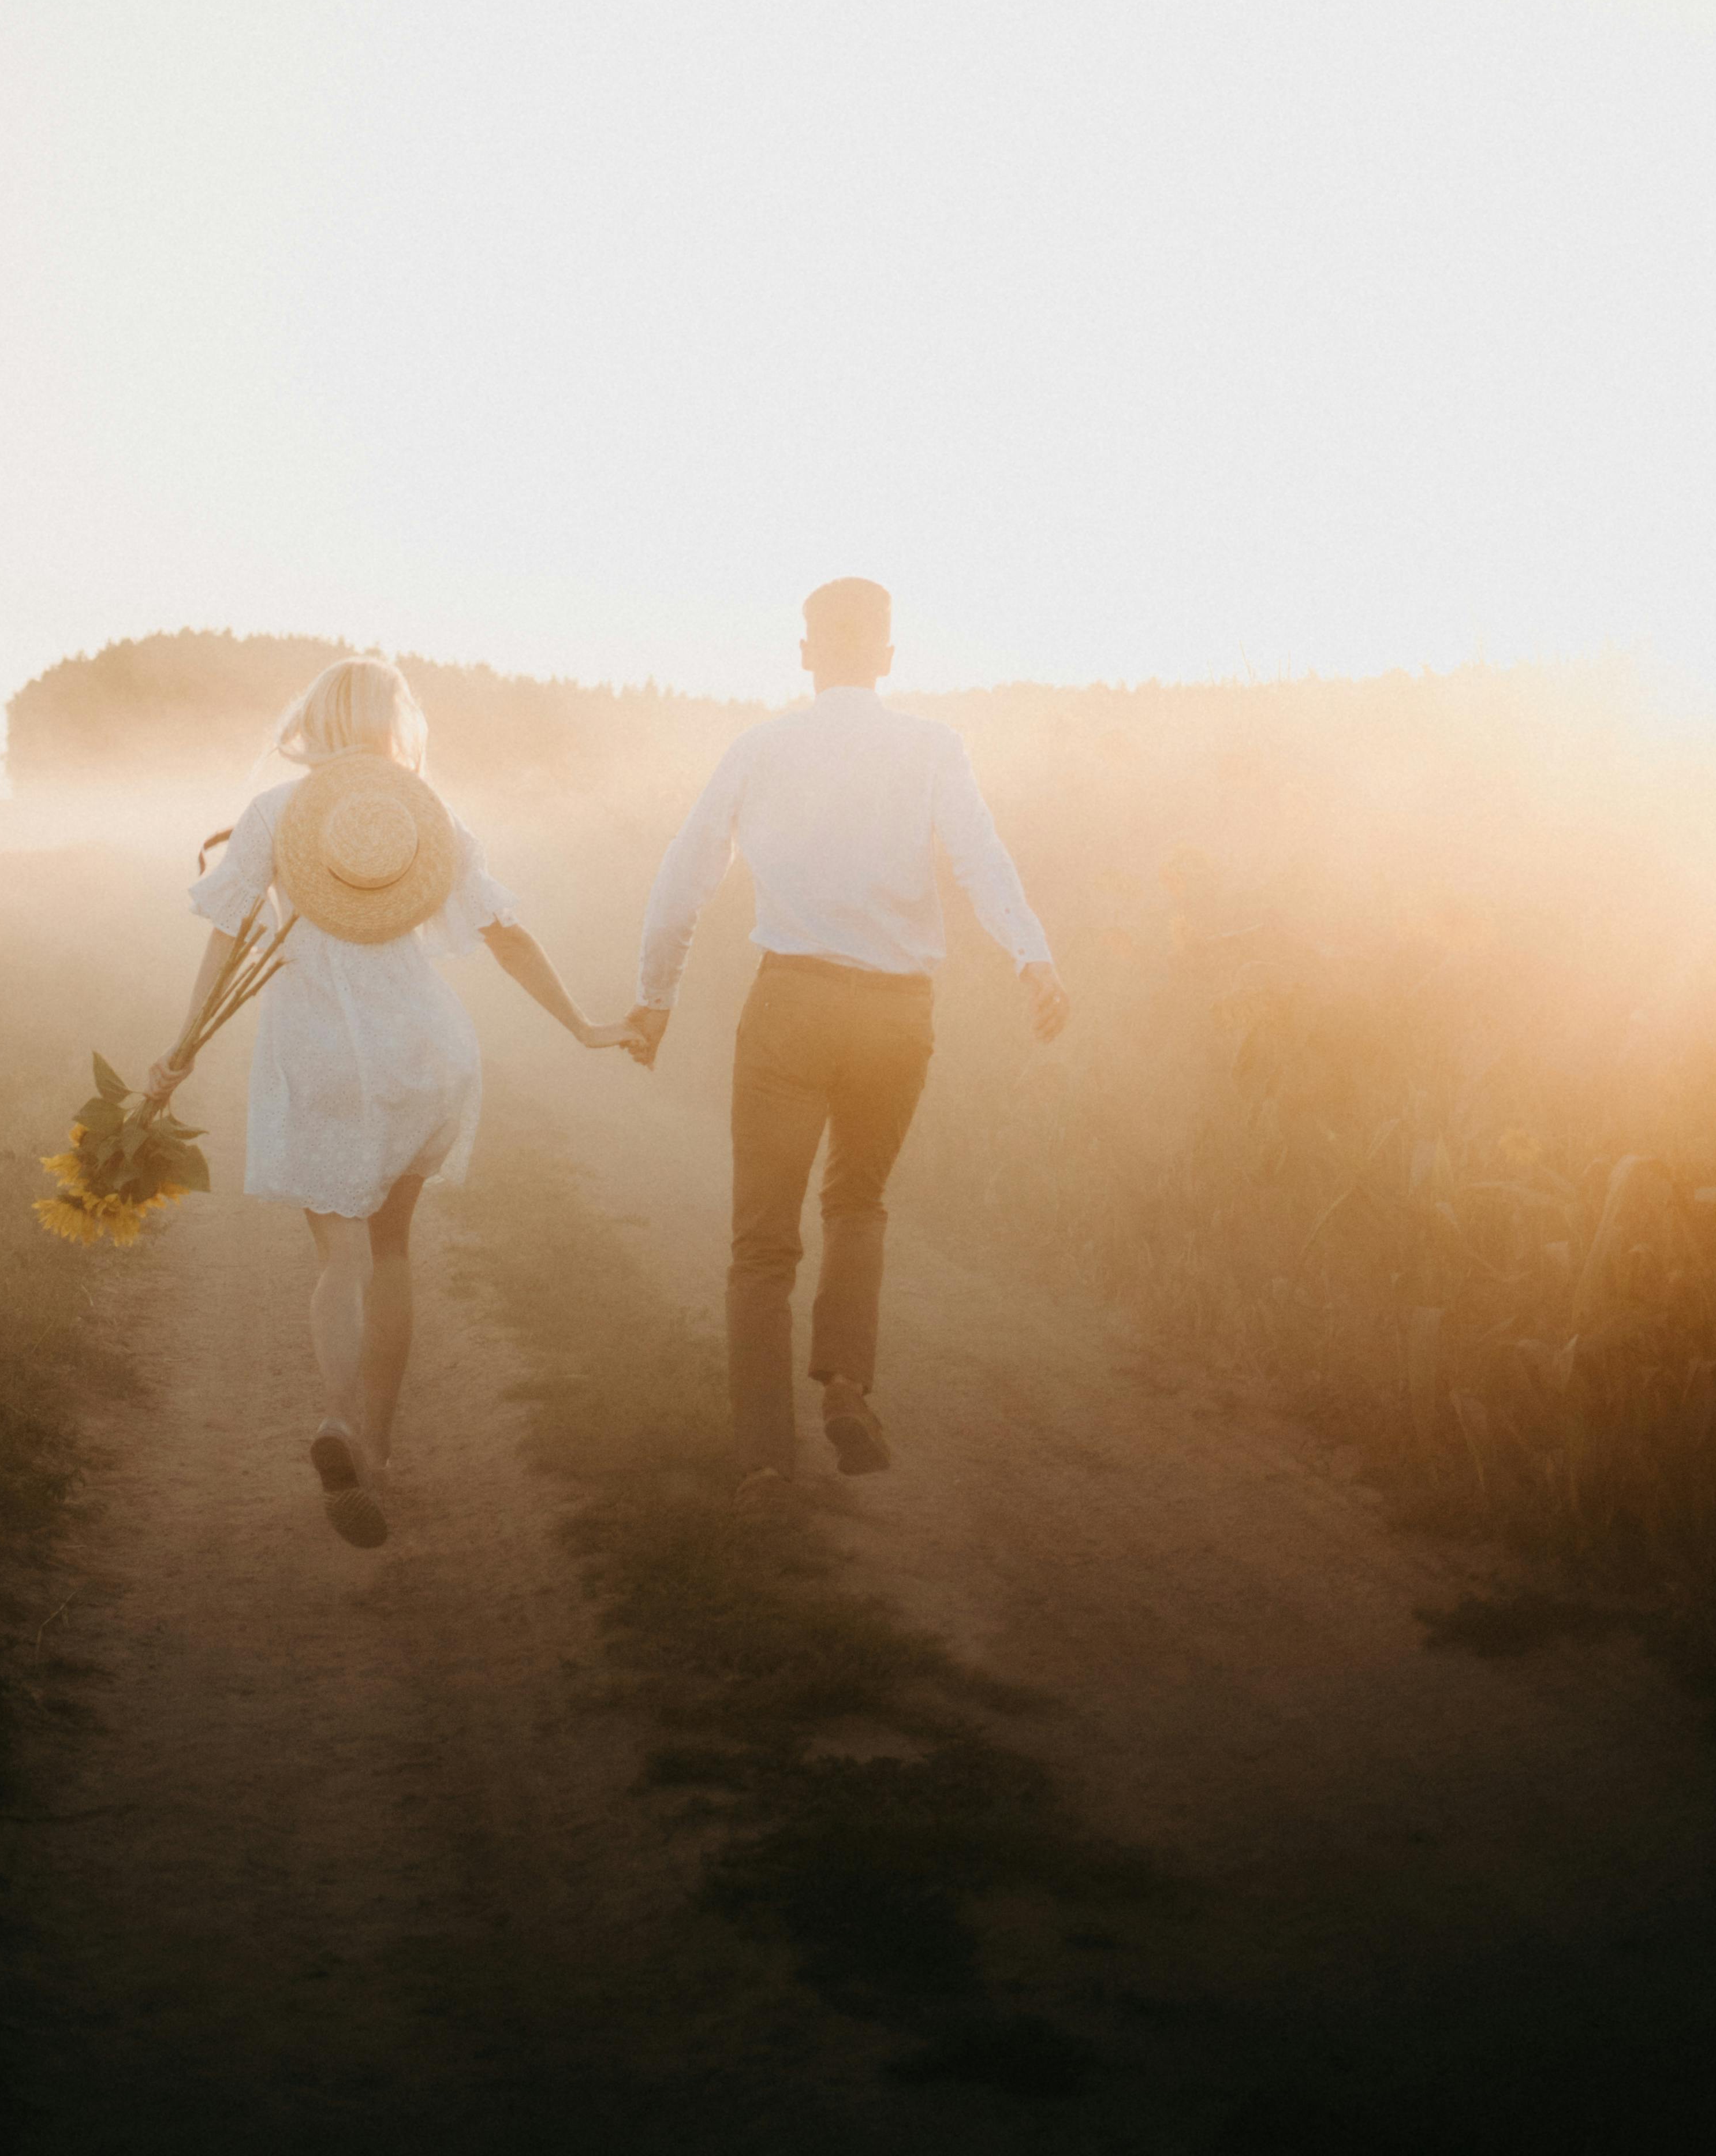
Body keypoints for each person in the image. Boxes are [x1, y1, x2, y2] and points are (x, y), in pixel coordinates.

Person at [144, 653, 630, 1547]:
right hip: (420, 1048)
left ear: (319, 720)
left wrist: (180, 1049)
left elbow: (226, 938)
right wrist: (584, 1026)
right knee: (394, 1247)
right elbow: (506, 933)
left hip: (317, 1050)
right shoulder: (425, 818)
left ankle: (336, 1420)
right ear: (395, 725)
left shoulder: (273, 814)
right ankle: (377, 1447)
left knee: (341, 1259)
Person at [623, 578, 1069, 1500]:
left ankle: (762, 1459)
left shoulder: (760, 747)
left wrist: (654, 997)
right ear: (891, 657)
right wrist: (1034, 957)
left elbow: (685, 875)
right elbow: (984, 860)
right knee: (857, 1203)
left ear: (805, 652)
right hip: (897, 1013)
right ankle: (847, 1390)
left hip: (792, 1002)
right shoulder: (934, 748)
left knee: (761, 1244)